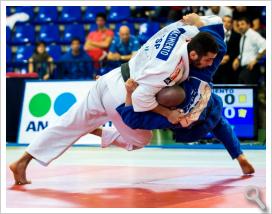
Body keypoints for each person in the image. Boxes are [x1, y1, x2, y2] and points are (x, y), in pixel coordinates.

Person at [10, 14, 224, 185]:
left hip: (109, 78)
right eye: (207, 60)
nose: (209, 64)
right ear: (194, 55)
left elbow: (193, 18)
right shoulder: (168, 67)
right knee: (141, 139)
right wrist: (168, 113)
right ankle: (101, 132)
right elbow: (140, 100)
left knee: (69, 122)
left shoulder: (183, 32)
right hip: (121, 95)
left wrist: (198, 21)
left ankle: (22, 161)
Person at [115, 78, 254, 175]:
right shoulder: (191, 82)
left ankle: (239, 155)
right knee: (220, 124)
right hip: (209, 106)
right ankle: (239, 155)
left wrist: (128, 92)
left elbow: (131, 119)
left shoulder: (169, 117)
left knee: (218, 123)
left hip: (192, 125)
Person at [232, 17, 266, 84]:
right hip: (245, 68)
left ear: (248, 25)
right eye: (238, 25)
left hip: (251, 68)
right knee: (244, 91)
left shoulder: (253, 35)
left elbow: (265, 46)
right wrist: (238, 59)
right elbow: (245, 51)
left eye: (242, 24)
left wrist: (255, 60)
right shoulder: (243, 36)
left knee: (249, 91)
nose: (240, 27)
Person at [213, 15, 241, 84]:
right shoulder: (214, 35)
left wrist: (229, 57)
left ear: (231, 24)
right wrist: (219, 58)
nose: (226, 23)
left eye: (228, 22)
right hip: (217, 64)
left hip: (230, 65)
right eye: (224, 21)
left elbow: (238, 50)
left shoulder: (237, 36)